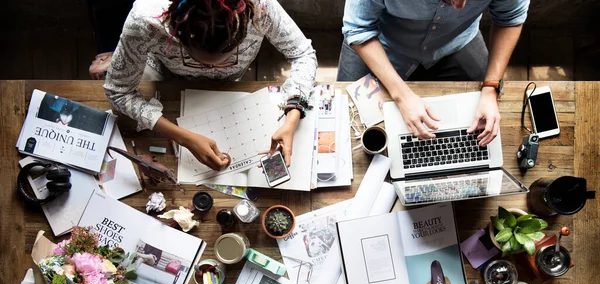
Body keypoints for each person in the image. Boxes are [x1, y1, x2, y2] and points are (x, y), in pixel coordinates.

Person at [104, 0, 317, 171]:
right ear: (177, 38)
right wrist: (182, 136)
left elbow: (303, 54)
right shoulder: (145, 20)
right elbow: (118, 90)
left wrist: (292, 117)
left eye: (226, 60)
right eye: (199, 61)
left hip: (230, 87)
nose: (208, 69)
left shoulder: (261, 7)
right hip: (164, 78)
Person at [338, 0, 530, 146]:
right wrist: (402, 96)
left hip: (456, 43)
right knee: (344, 126)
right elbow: (358, 27)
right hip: (378, 42)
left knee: (487, 121)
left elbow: (510, 19)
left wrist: (490, 88)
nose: (460, 6)